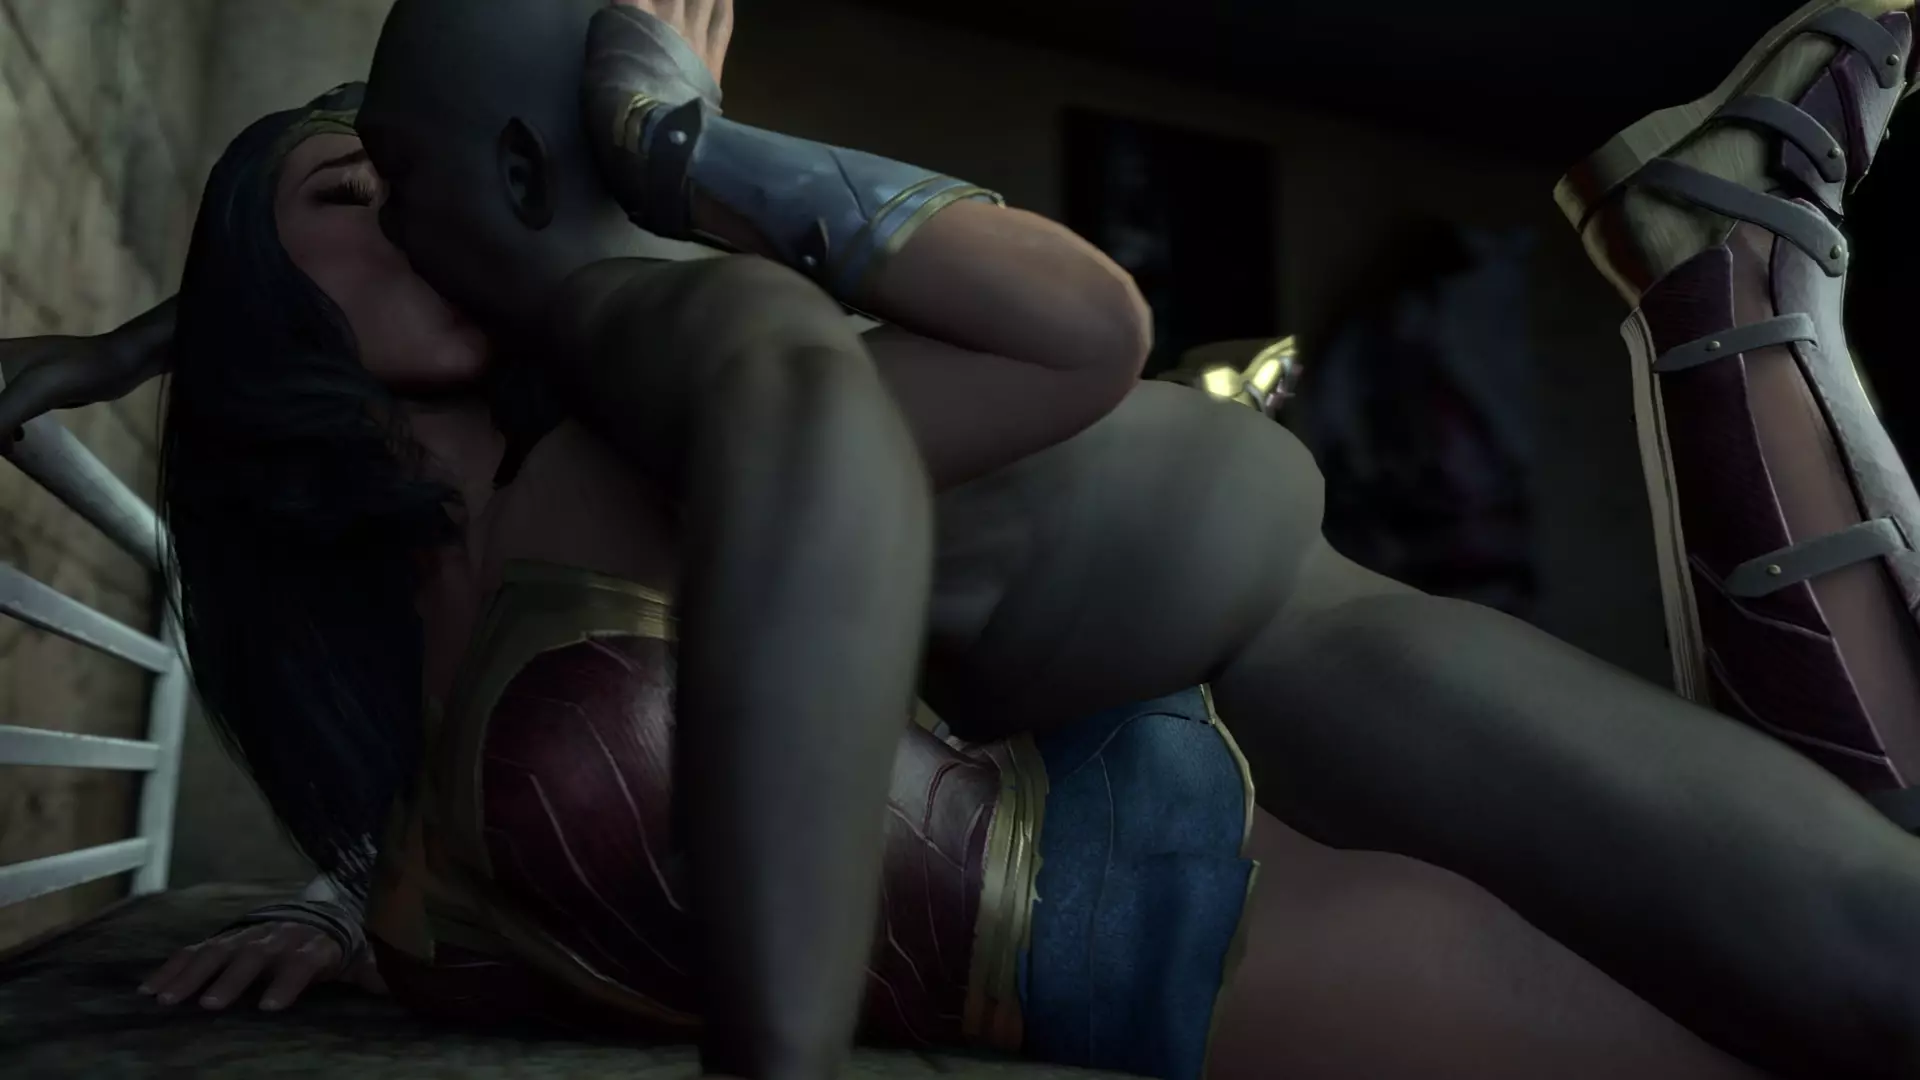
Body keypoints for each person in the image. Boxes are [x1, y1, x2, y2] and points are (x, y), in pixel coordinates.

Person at [3, 1, 1917, 1078]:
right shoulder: (536, 498)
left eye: (418, 173)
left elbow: (1040, 337)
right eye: (360, 187)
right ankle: (1728, 275)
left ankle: (1730, 279)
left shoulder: (633, 378)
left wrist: (683, 150)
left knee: (1864, 952)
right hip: (1199, 772)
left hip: (1285, 662)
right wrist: (352, 902)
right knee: (1856, 965)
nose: (417, 206)